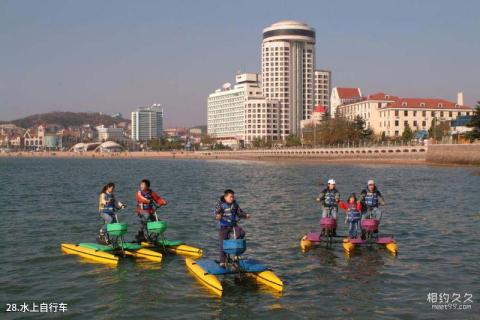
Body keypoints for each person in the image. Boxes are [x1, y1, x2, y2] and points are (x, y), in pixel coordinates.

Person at [213, 189, 250, 267]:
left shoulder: (235, 204)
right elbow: (216, 213)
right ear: (225, 197)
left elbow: (239, 212)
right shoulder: (220, 204)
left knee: (241, 233)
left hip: (233, 225)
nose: (232, 198)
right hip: (223, 225)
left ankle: (236, 256)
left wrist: (245, 215)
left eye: (233, 197)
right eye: (230, 197)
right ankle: (222, 261)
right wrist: (218, 216)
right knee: (223, 243)